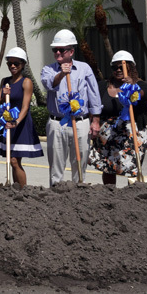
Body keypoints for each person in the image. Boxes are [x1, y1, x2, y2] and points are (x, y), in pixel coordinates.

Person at [40, 29, 102, 186]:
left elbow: (94, 95)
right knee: (56, 163)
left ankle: (79, 190)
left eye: (62, 49)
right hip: (57, 122)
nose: (58, 52)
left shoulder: (84, 68)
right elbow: (49, 85)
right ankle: (56, 191)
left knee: (80, 161)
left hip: (80, 121)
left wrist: (95, 120)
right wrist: (61, 74)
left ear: (71, 51)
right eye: (55, 50)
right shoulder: (48, 70)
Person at [88, 51, 147, 185]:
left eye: (121, 67)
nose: (118, 70)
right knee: (108, 168)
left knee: (132, 167)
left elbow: (146, 95)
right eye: (114, 67)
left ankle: (131, 195)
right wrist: (93, 123)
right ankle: (110, 193)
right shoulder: (103, 86)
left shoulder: (140, 85)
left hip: (132, 133)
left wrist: (133, 87)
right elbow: (94, 106)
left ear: (130, 68)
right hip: (108, 136)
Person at [0, 48, 42, 187]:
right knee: (11, 159)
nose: (13, 66)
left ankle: (22, 190)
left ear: (23, 65)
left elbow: (25, 107)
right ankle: (15, 188)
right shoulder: (5, 81)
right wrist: (4, 94)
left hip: (19, 124)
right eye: (10, 63)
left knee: (15, 160)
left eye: (16, 63)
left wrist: (16, 122)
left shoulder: (26, 82)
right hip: (7, 123)